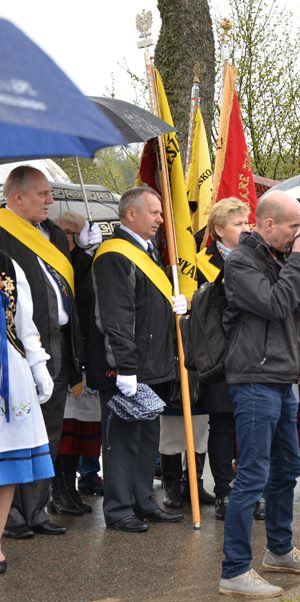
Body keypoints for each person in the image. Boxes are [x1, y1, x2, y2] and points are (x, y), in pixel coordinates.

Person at [219, 189, 300, 597]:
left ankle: (280, 551)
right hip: (253, 379)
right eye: (292, 227)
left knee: (287, 468)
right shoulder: (240, 264)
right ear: (267, 224)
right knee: (252, 475)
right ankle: (233, 571)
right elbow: (274, 304)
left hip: (284, 377)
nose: (298, 234)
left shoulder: (283, 260)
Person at [89, 187, 188, 531]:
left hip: (153, 364)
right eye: (155, 212)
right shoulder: (115, 255)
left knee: (148, 439)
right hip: (126, 368)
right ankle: (118, 508)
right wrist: (126, 367)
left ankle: (144, 500)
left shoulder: (146, 252)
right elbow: (117, 317)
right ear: (131, 214)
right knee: (122, 441)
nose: (162, 219)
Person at [0, 166, 82, 539]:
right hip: (17, 350)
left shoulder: (49, 233)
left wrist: (84, 251)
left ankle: (37, 509)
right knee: (15, 434)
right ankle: (11, 516)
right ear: (16, 197)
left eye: (50, 193)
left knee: (47, 430)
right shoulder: (3, 232)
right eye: (42, 194)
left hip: (58, 343)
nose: (50, 200)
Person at [194, 198, 250, 520]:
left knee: (250, 427)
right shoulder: (201, 263)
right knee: (223, 425)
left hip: (252, 353)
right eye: (238, 224)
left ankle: (249, 490)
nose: (246, 229)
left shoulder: (256, 257)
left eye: (247, 223)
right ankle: (224, 492)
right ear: (218, 230)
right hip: (218, 355)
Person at [0, 251, 55, 574]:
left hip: (7, 375)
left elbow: (24, 325)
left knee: (5, 467)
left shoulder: (7, 265)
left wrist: (38, 367)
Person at [51, 211, 102, 517]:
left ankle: (69, 488)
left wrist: (89, 255)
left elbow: (88, 294)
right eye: (70, 235)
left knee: (78, 432)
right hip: (62, 357)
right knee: (62, 433)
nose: (71, 241)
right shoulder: (51, 262)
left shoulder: (83, 263)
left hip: (82, 353)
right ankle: (58, 491)